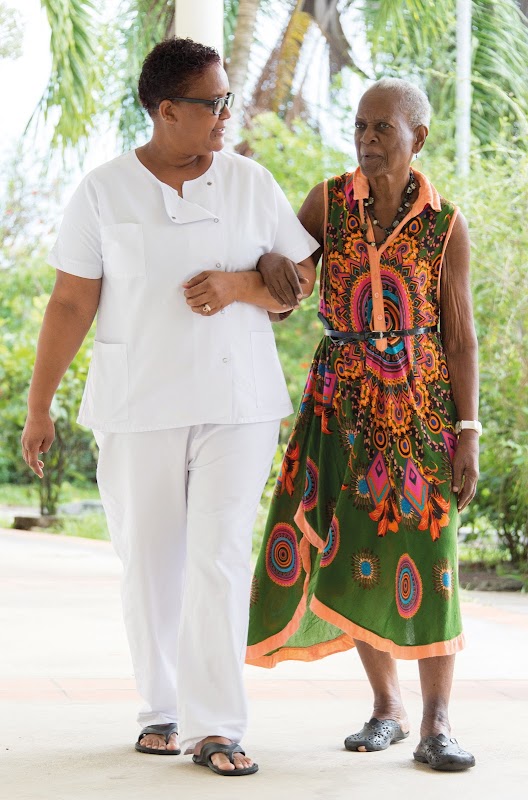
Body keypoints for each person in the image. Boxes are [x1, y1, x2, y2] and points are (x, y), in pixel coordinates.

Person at [21, 37, 317, 777]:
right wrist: (39, 406)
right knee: (149, 562)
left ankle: (217, 727)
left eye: (227, 100)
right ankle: (161, 709)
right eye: (211, 103)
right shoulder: (102, 190)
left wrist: (240, 286)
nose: (226, 114)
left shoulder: (251, 182)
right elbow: (69, 301)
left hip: (237, 400)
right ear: (166, 110)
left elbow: (299, 276)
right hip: (137, 400)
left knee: (217, 558)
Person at [247, 78, 479, 772]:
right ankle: (388, 709)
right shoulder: (328, 200)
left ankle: (438, 722)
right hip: (339, 406)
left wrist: (468, 430)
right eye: (359, 127)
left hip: (420, 409)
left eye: (383, 128)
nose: (369, 140)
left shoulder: (446, 225)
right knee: (349, 552)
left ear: (419, 138)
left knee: (433, 559)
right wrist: (268, 264)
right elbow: (288, 280)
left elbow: (461, 338)